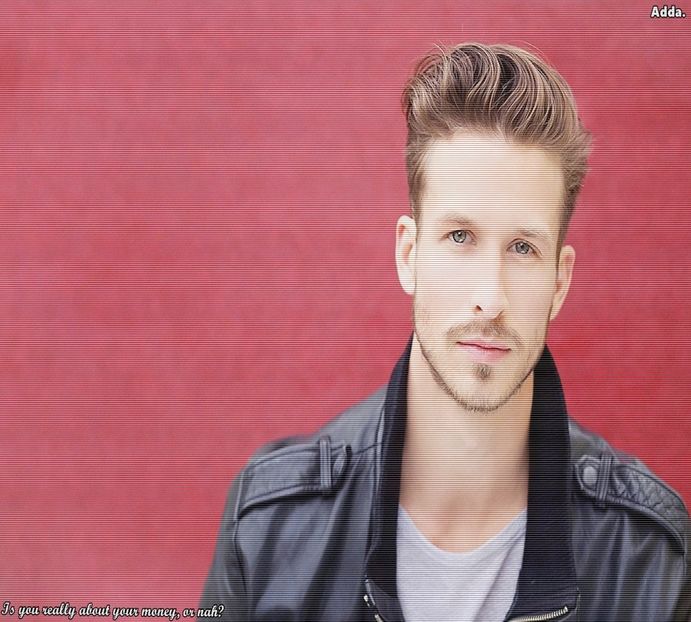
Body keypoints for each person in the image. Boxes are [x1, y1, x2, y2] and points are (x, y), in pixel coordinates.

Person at [198, 42, 690, 621]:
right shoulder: (269, 525)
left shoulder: (649, 558)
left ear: (560, 281)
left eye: (523, 248)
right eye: (460, 237)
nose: (491, 298)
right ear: (409, 254)